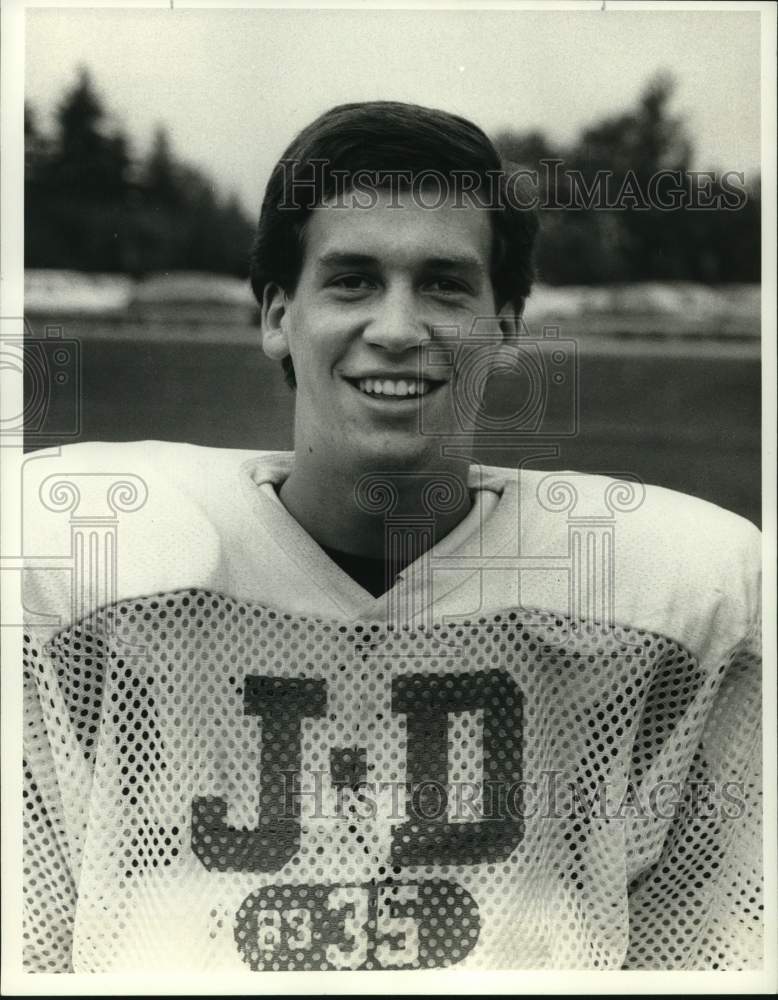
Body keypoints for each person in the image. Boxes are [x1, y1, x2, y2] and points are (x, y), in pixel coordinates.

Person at [21, 101, 762, 974]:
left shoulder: (675, 603)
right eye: (352, 280)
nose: (400, 328)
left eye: (445, 284)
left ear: (508, 329)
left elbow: (712, 957)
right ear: (275, 315)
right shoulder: (79, 575)